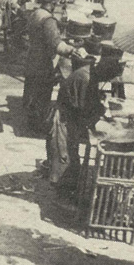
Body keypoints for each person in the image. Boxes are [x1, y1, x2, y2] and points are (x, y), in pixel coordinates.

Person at [46, 51, 105, 201]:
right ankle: (62, 197)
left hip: (70, 119)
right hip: (63, 120)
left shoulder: (89, 74)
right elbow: (84, 107)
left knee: (70, 157)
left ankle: (66, 191)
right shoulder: (85, 77)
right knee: (64, 158)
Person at [23, 0, 76, 136]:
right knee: (42, 93)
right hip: (43, 61)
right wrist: (71, 49)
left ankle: (31, 121)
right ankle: (38, 126)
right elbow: (56, 45)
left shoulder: (36, 13)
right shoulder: (49, 20)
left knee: (32, 90)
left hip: (32, 56)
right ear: (52, 4)